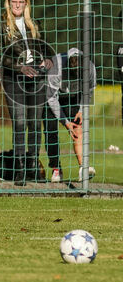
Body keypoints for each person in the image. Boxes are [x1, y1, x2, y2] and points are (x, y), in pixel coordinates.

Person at [0, 0, 53, 169]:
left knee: (35, 123)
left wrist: (47, 61)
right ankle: (20, 167)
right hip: (14, 79)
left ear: (26, 3)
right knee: (19, 124)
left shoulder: (34, 24)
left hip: (37, 79)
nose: (17, 5)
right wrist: (20, 68)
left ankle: (33, 165)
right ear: (8, 3)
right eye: (14, 2)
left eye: (21, 2)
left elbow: (44, 48)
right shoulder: (0, 26)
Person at [44, 48, 96, 182]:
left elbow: (89, 90)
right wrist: (65, 122)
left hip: (74, 97)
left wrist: (81, 110)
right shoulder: (56, 67)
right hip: (54, 95)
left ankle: (83, 168)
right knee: (51, 130)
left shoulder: (90, 68)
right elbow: (51, 98)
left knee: (79, 127)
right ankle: (56, 169)